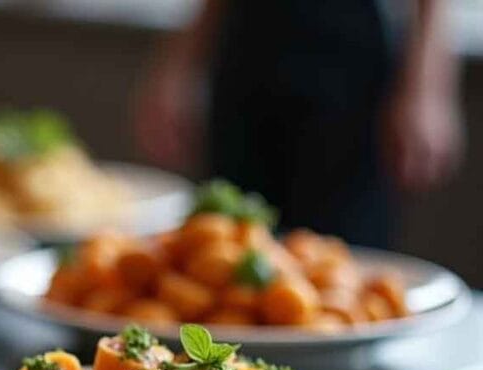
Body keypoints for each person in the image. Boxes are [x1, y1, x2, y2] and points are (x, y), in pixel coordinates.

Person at [136, 0, 462, 247]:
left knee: (341, 260)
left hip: (345, 63)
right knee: (229, 244)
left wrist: (427, 87)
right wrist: (179, 67)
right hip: (245, 51)